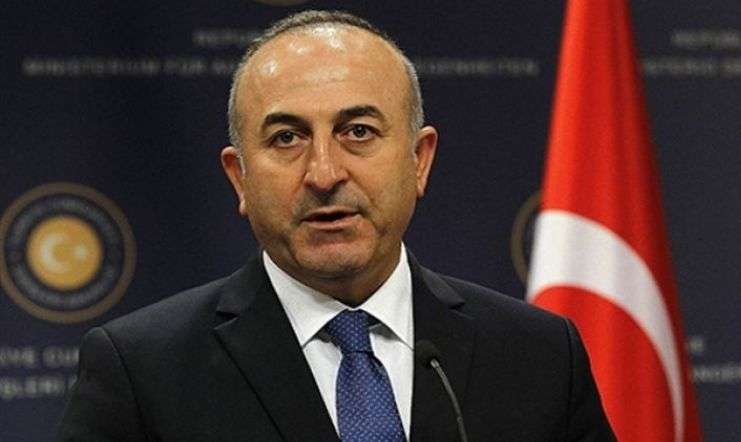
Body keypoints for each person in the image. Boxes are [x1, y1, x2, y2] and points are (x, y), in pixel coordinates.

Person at [59, 10, 615, 442]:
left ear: (419, 160)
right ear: (239, 177)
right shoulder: (142, 371)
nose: (324, 173)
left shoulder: (538, 356)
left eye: (358, 131)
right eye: (286, 138)